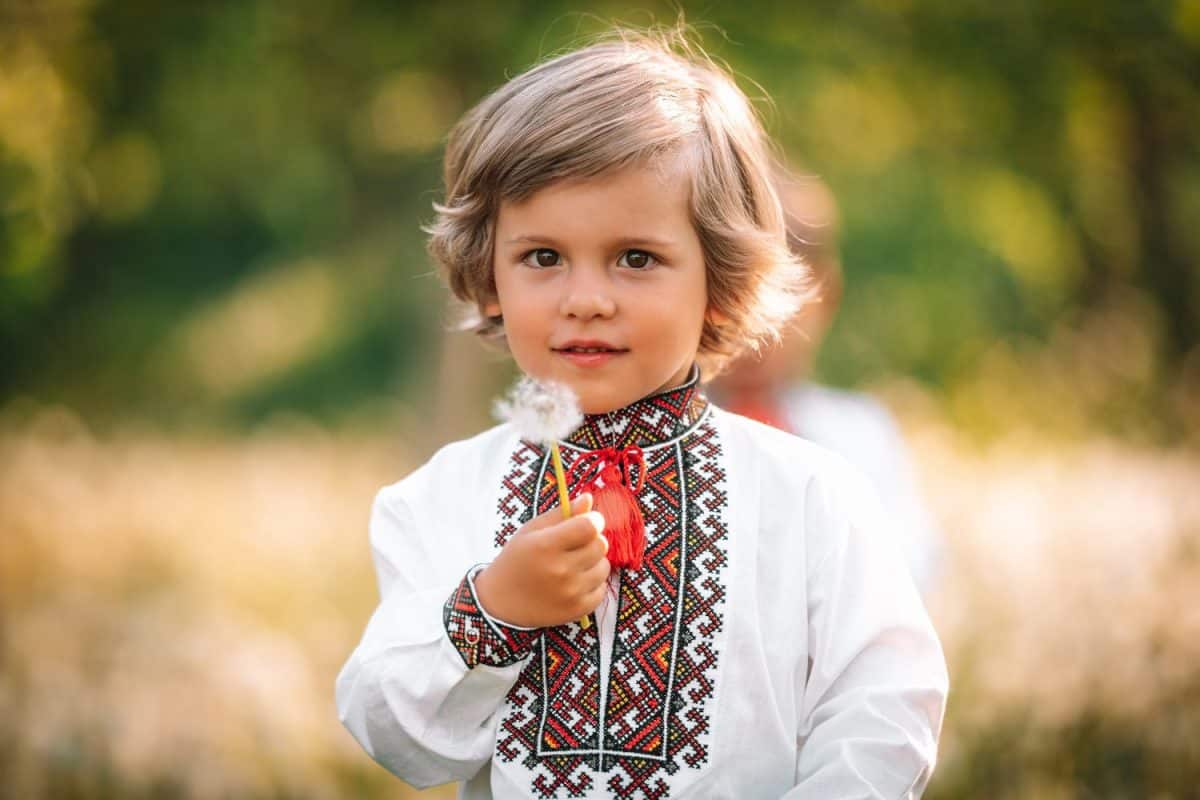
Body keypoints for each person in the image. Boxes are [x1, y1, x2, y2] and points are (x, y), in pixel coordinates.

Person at [336, 29, 947, 799]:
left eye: (635, 258)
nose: (586, 299)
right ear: (489, 277)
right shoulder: (440, 498)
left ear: (719, 282)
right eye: (543, 257)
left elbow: (884, 714)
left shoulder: (812, 497)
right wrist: (493, 612)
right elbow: (393, 735)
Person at [711, 171, 942, 593]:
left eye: (783, 306)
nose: (758, 333)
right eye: (734, 301)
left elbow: (910, 563)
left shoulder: (860, 432)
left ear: (826, 298)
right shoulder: (667, 429)